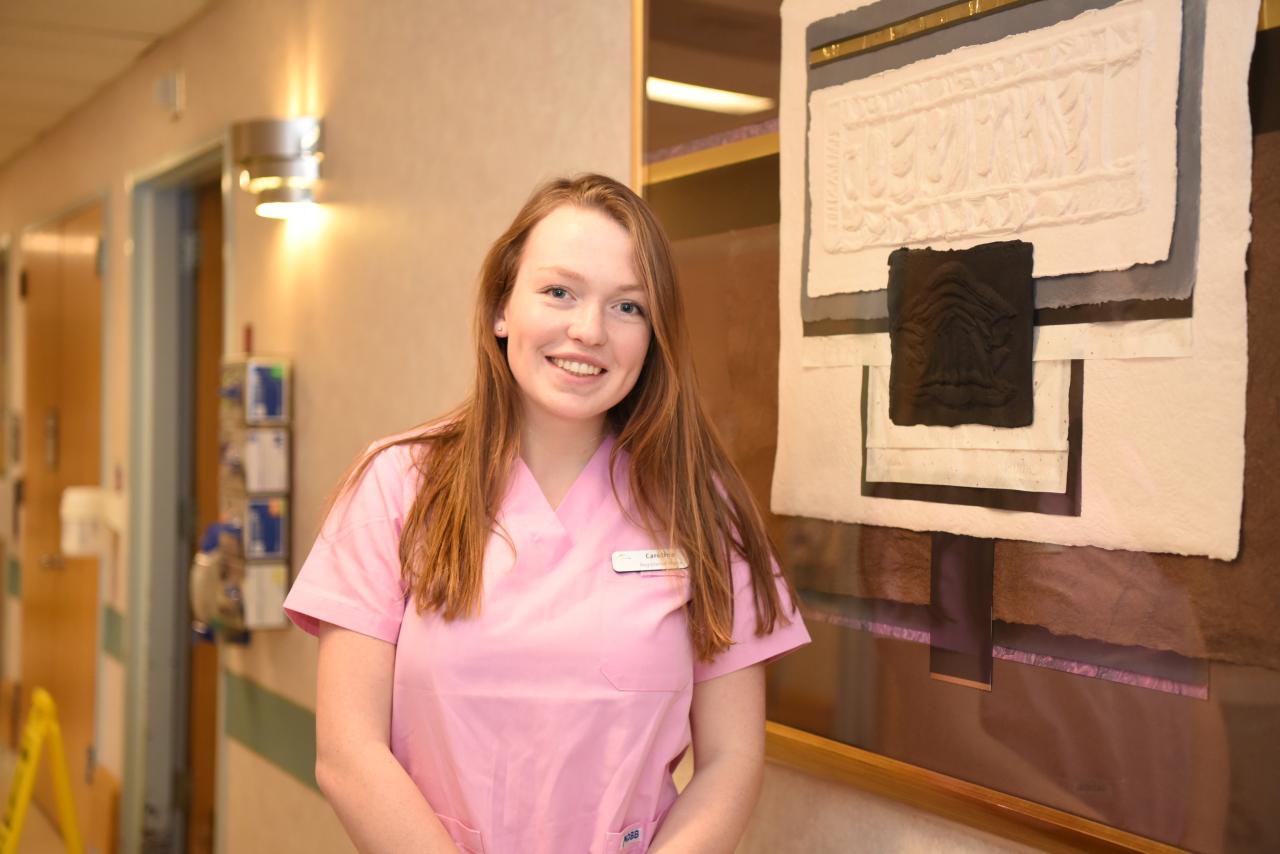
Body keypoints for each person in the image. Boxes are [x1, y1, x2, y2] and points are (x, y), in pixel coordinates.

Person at [283, 173, 810, 854]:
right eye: (560, 292)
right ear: (503, 307)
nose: (588, 330)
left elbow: (732, 761)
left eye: (628, 307)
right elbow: (348, 754)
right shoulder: (396, 486)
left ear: (654, 336)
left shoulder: (703, 511)